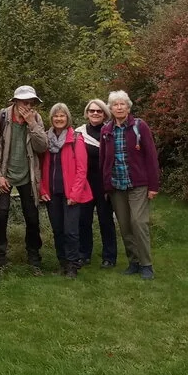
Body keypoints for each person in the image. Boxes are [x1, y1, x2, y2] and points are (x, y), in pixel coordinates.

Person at [0, 85, 49, 274]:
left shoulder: (36, 119)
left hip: (28, 175)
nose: (28, 106)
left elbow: (42, 147)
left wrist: (32, 125)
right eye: (24, 102)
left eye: (31, 103)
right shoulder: (0, 119)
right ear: (15, 102)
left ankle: (34, 256)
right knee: (1, 215)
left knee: (32, 217)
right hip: (4, 174)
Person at [100, 90, 160, 280]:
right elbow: (103, 160)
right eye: (115, 105)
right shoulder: (106, 131)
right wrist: (106, 186)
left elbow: (151, 157)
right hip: (116, 186)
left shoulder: (139, 126)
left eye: (122, 104)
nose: (119, 107)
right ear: (110, 108)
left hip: (138, 184)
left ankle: (146, 265)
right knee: (125, 226)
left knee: (138, 223)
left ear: (128, 107)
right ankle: (133, 262)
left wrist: (153, 186)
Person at [39, 103, 92, 279]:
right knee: (58, 230)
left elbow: (82, 170)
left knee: (71, 231)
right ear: (51, 119)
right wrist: (43, 189)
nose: (59, 119)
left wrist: (75, 194)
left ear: (67, 118)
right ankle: (62, 263)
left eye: (62, 116)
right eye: (56, 116)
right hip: (52, 192)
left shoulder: (76, 139)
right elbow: (41, 167)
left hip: (72, 194)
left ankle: (72, 265)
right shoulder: (46, 140)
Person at [78, 99, 117, 268]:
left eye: (99, 111)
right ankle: (84, 254)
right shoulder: (79, 133)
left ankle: (109, 257)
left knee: (105, 220)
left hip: (104, 184)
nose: (95, 113)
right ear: (87, 113)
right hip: (85, 183)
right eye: (92, 111)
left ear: (105, 114)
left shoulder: (111, 132)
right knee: (83, 220)